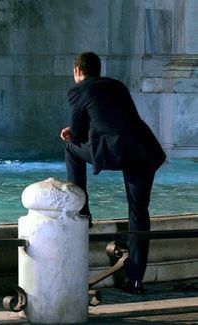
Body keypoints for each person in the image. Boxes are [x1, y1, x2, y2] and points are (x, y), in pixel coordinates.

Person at [60, 52, 166, 294]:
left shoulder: (78, 90)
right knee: (139, 212)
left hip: (116, 152)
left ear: (77, 71)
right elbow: (112, 119)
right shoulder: (116, 85)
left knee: (70, 149)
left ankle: (82, 210)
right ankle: (136, 280)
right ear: (99, 69)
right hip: (143, 151)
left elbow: (76, 132)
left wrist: (70, 133)